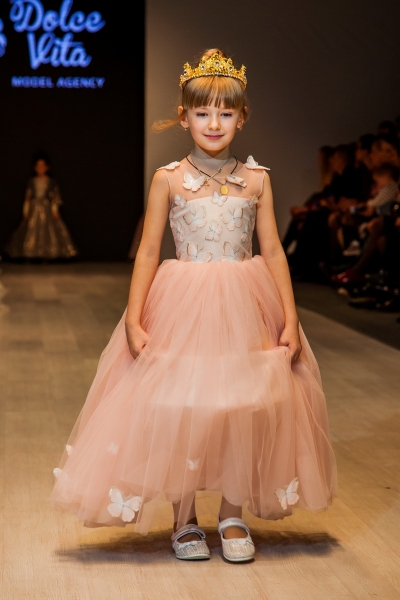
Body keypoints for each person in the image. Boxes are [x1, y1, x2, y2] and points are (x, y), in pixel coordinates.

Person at [51, 49, 337, 563]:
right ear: (184, 118)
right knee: (182, 404)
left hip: (245, 307)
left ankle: (232, 512)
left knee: (242, 405)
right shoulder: (167, 178)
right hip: (183, 305)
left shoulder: (257, 179)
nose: (214, 123)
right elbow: (148, 251)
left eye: (226, 112)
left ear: (242, 117)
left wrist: (291, 317)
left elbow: (272, 250)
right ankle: (184, 518)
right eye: (202, 112)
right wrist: (134, 317)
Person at [5, 152, 77, 260]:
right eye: (38, 166)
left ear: (47, 167)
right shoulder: (32, 181)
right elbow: (28, 198)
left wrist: (54, 210)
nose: (40, 168)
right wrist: (25, 211)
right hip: (34, 209)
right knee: (32, 231)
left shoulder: (51, 182)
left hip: (47, 209)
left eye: (42, 166)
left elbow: (55, 197)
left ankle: (48, 253)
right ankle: (31, 253)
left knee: (48, 231)